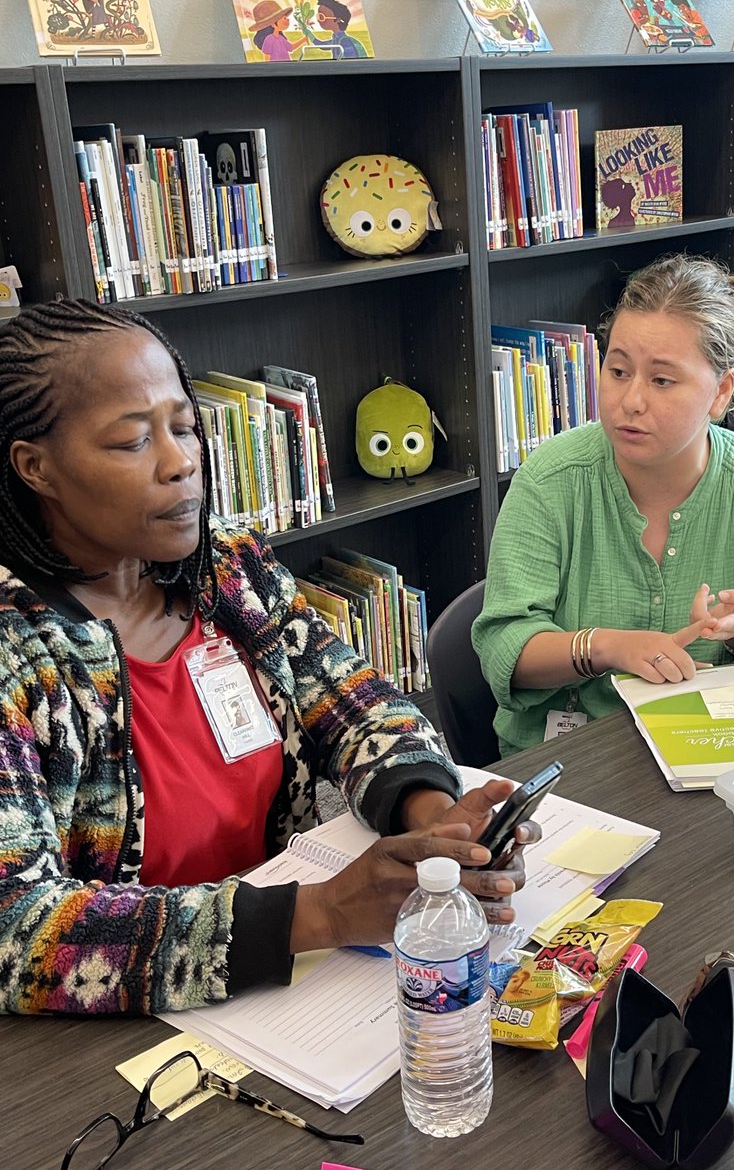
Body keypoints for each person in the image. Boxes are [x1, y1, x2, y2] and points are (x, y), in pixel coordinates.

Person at [0, 300, 539, 1015]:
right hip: (110, 1036)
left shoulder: (223, 566)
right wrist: (317, 914)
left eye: (185, 427)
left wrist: (431, 816)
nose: (181, 462)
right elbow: (17, 929)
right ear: (36, 467)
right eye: (133, 442)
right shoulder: (18, 655)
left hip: (281, 987)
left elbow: (354, 702)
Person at [473, 254, 734, 756]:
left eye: (662, 380)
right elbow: (503, 647)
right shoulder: (552, 480)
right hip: (574, 759)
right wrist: (604, 646)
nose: (631, 401)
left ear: (722, 391)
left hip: (723, 752)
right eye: (618, 370)